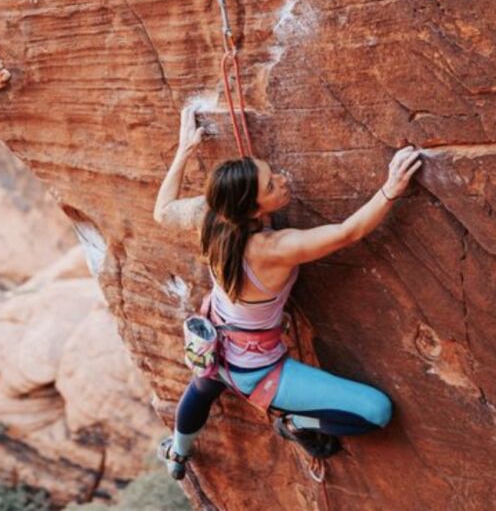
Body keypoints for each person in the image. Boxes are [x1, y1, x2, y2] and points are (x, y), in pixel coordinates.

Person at [153, 105, 423, 480]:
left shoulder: (212, 216)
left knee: (203, 386)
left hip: (212, 347)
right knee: (376, 411)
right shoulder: (273, 248)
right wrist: (390, 189)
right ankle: (295, 422)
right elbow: (347, 233)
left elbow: (162, 211)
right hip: (257, 371)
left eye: (272, 173)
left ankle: (177, 453)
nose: (281, 179)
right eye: (270, 185)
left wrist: (184, 150)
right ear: (251, 208)